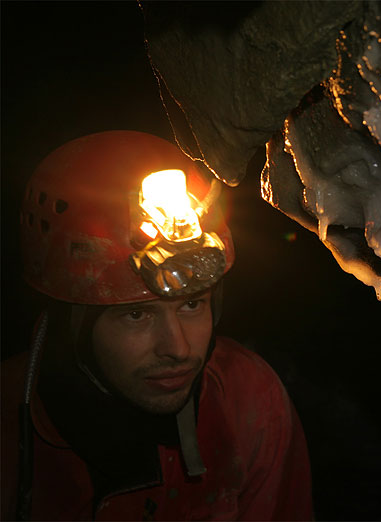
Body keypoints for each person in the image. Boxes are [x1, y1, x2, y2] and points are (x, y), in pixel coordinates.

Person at [1, 131, 314, 520]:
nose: (178, 348)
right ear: (74, 325)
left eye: (192, 304)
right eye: (136, 314)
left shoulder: (246, 398)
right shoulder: (9, 424)